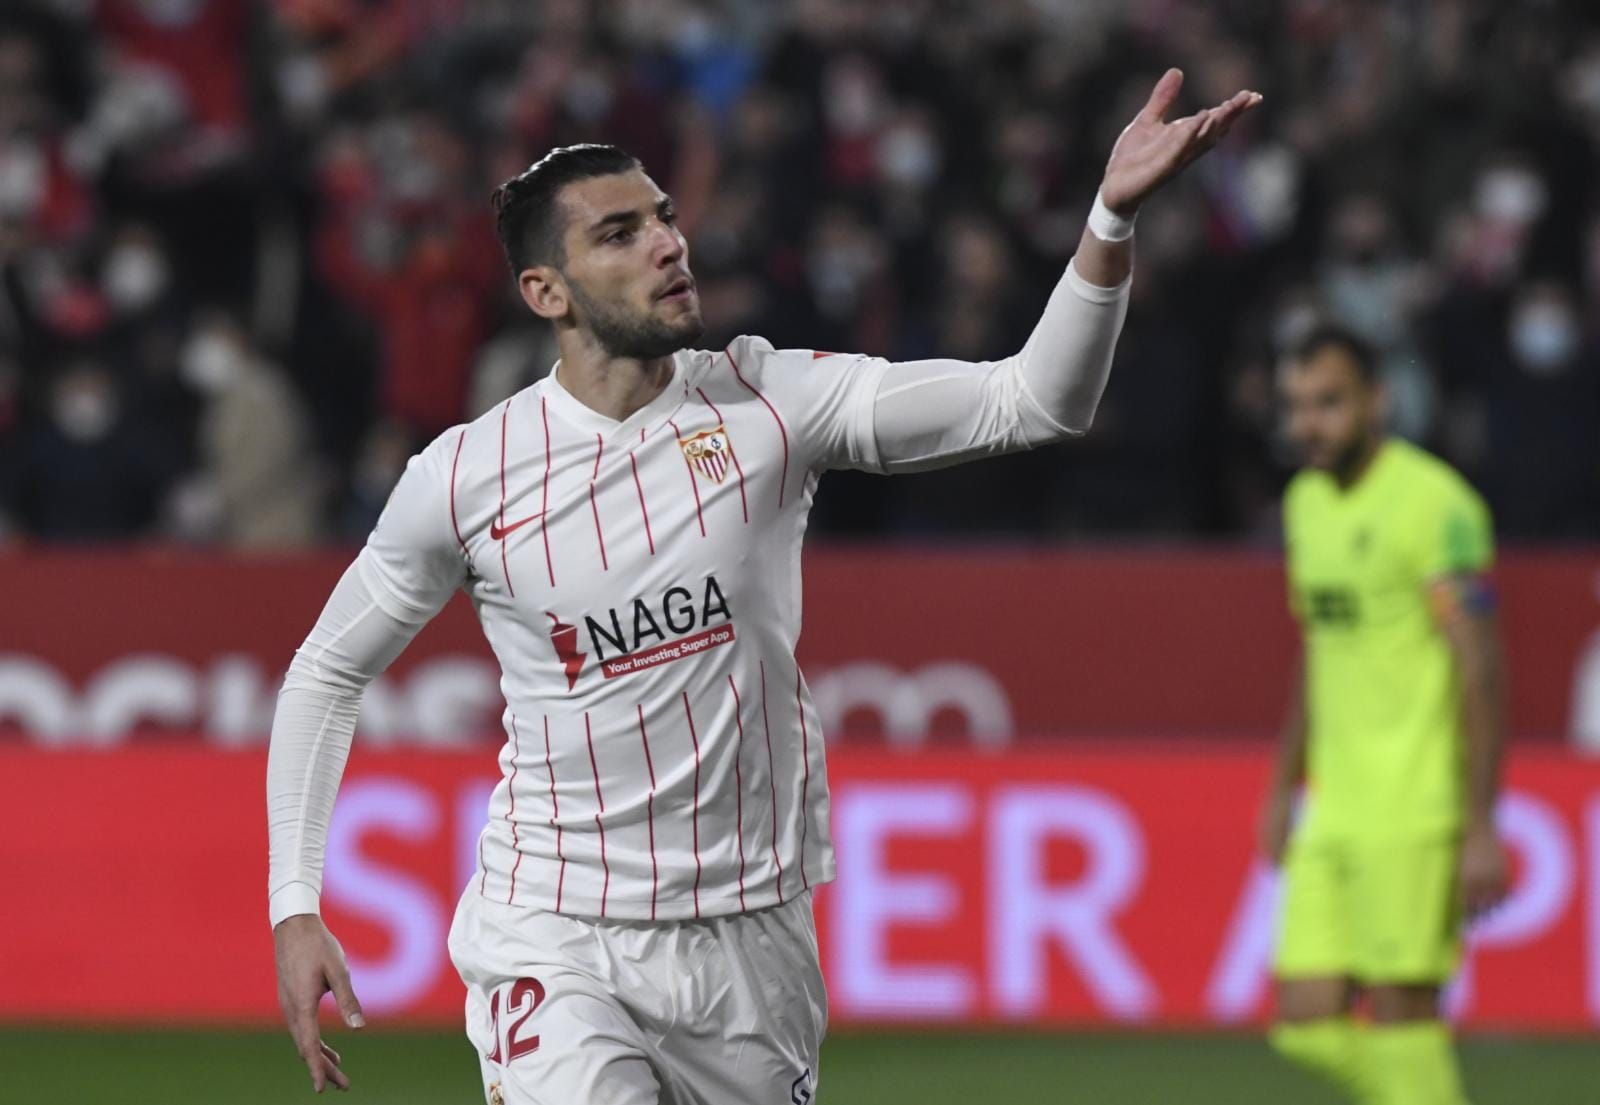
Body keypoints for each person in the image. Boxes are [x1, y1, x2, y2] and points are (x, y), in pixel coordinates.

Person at [269, 69, 1260, 1104]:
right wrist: (295, 904)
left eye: (664, 217)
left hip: (751, 939)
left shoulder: (771, 401)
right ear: (545, 292)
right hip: (555, 928)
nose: (667, 243)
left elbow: (1036, 401)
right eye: (619, 234)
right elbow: (327, 671)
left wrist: (1109, 218)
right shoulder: (467, 475)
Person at [1259, 325, 1510, 1105]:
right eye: (1296, 405)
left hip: (1415, 804)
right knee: (1304, 1021)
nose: (1309, 423)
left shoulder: (1438, 506)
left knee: (1405, 1018)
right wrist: (1284, 785)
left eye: (1329, 402)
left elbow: (1481, 667)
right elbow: (1317, 648)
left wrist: (1480, 823)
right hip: (1334, 807)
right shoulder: (1304, 504)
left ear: (1378, 399)